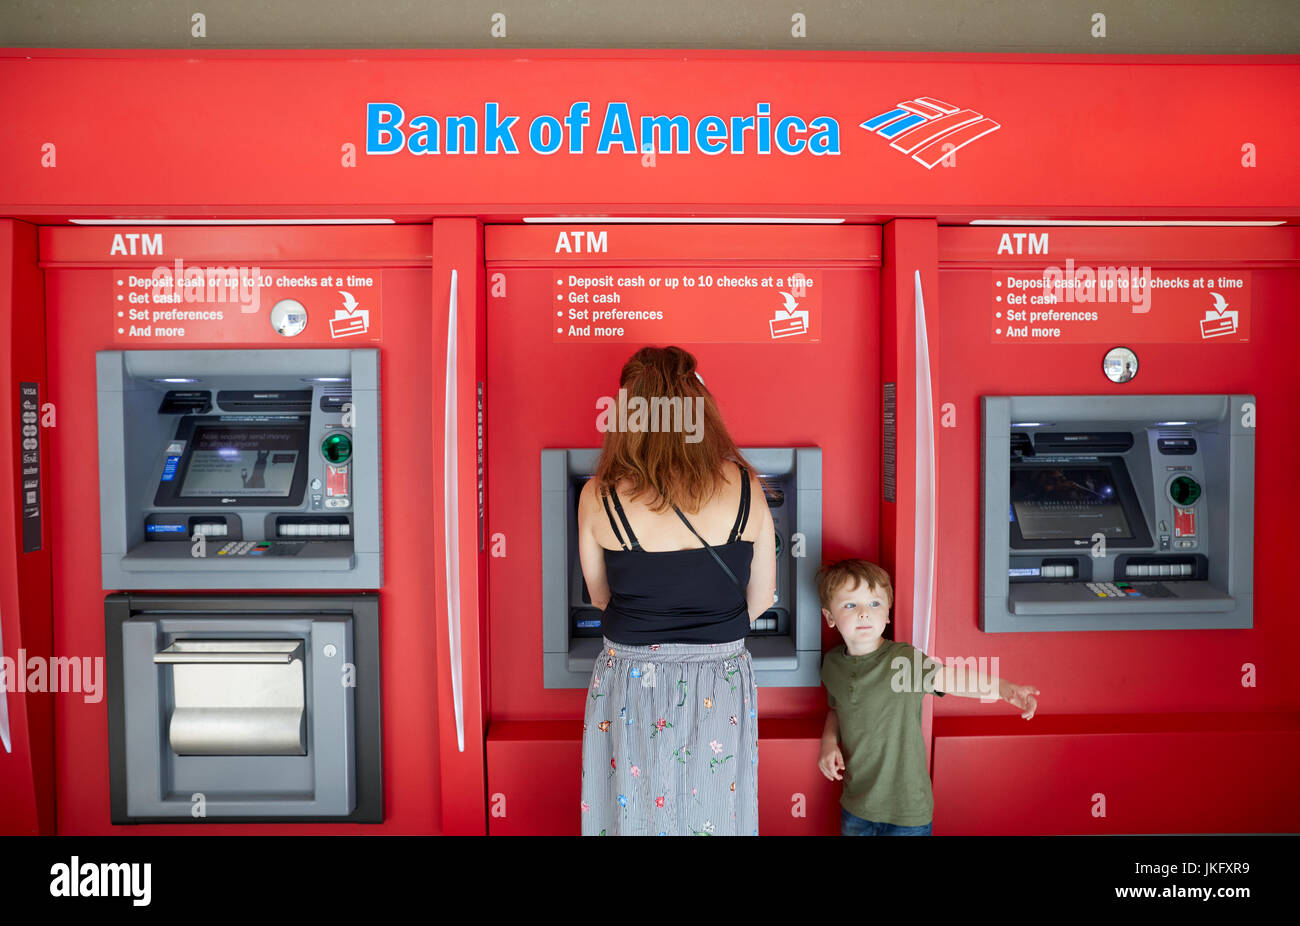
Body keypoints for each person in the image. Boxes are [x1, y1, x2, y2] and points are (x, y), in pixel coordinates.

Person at [578, 346, 776, 836]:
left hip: (631, 678)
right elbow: (763, 598)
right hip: (720, 678)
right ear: (700, 406)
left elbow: (600, 597)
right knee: (714, 814)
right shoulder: (746, 486)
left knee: (633, 815)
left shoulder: (599, 495)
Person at [816, 559, 1040, 836]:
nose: (864, 613)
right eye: (850, 605)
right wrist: (828, 743)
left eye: (874, 604)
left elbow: (953, 679)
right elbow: (836, 708)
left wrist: (1005, 688)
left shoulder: (901, 660)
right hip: (856, 805)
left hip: (907, 811)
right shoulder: (832, 664)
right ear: (829, 617)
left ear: (887, 614)